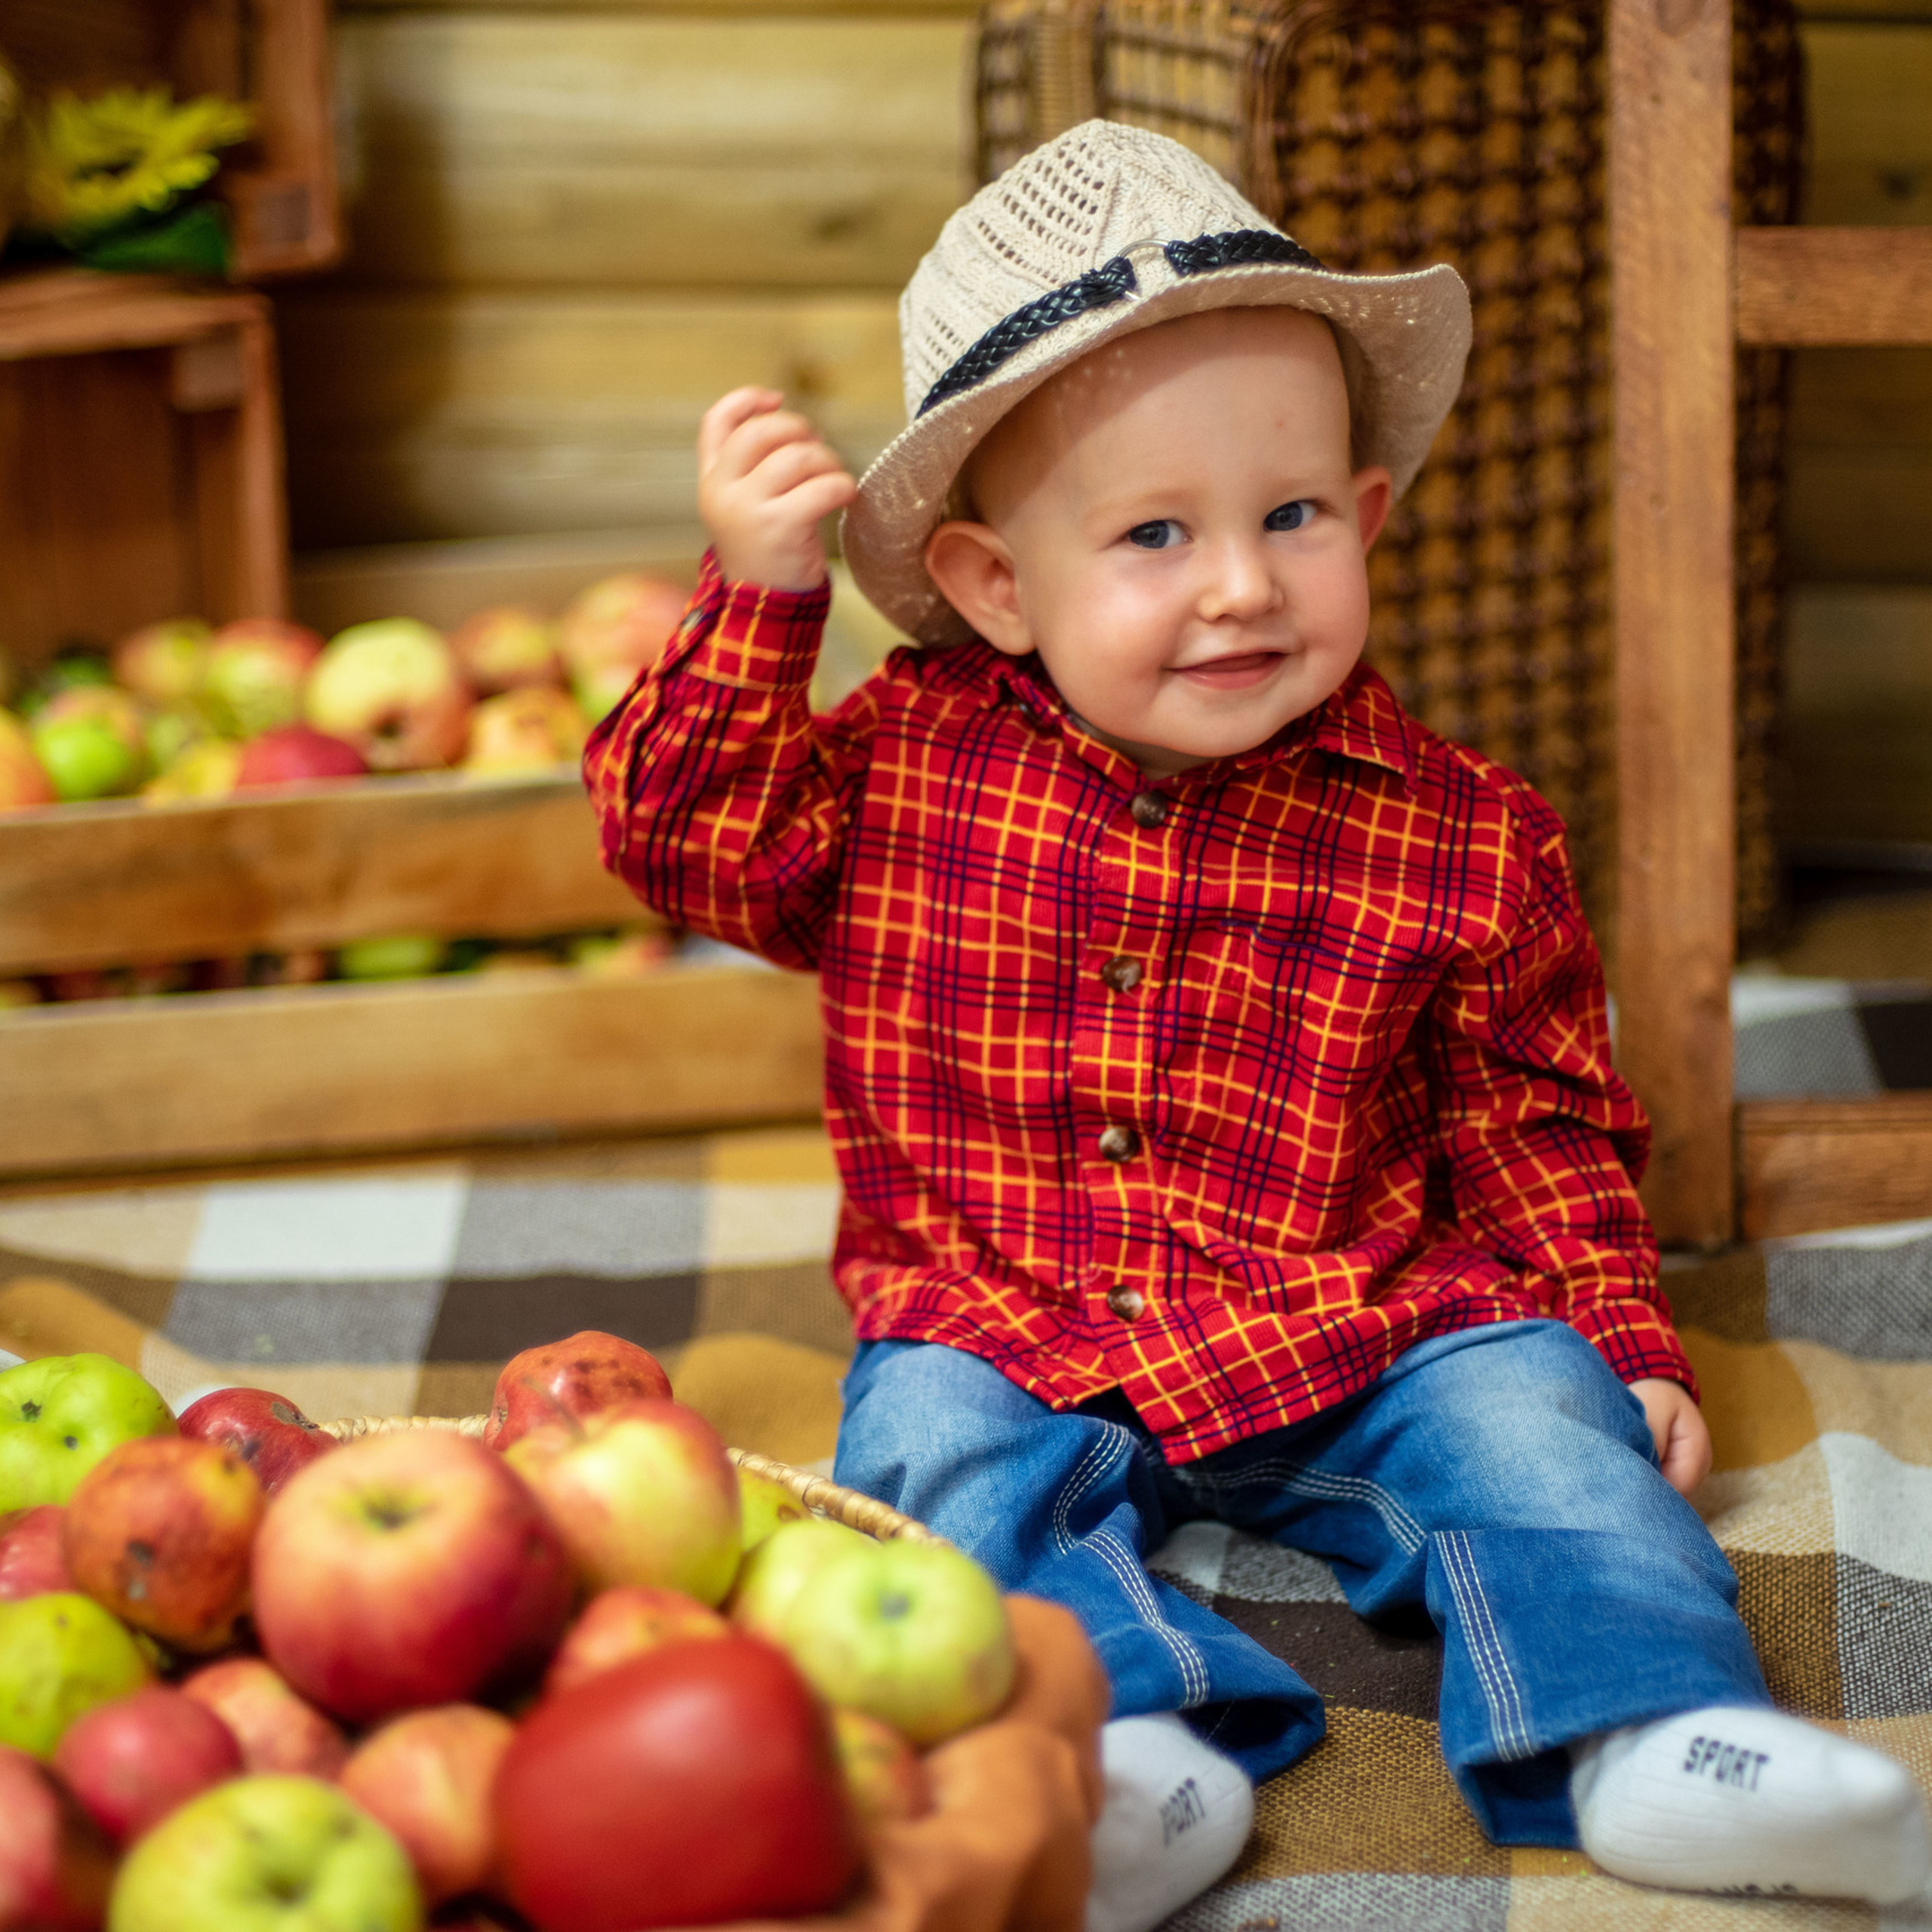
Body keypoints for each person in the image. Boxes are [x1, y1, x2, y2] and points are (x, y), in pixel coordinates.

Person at [586, 120, 1931, 1925]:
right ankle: (1119, 1750)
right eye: (1153, 534)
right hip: (1003, 1302)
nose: (1238, 583)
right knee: (922, 1471)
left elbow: (1530, 1112)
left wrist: (1619, 1332)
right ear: (996, 586)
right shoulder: (898, 770)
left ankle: (1650, 1736)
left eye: (1289, 515)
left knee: (1541, 1429)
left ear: (1364, 518)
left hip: (1354, 1303)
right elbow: (686, 844)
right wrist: (756, 602)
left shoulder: (1455, 825)